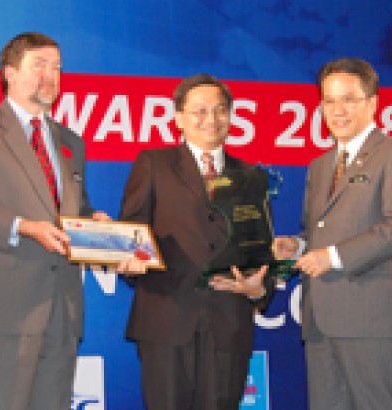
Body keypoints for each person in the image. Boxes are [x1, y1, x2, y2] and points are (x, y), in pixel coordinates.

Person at [0, 32, 109, 410]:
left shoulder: (70, 142)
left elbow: (72, 215)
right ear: (10, 73)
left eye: (57, 68)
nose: (50, 76)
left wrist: (100, 230)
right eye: (39, 65)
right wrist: (24, 227)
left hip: (62, 312)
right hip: (3, 313)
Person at [116, 74, 275, 410]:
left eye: (220, 110)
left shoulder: (253, 176)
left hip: (229, 322)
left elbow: (261, 250)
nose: (211, 120)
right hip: (166, 318)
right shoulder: (153, 164)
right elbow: (132, 230)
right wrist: (129, 261)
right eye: (199, 111)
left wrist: (259, 289)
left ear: (231, 116)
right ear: (178, 118)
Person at [273, 57, 392, 410]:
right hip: (320, 320)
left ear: (372, 104)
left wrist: (333, 257)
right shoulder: (320, 166)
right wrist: (296, 246)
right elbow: (318, 234)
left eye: (348, 99)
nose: (337, 110)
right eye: (329, 100)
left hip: (371, 319)